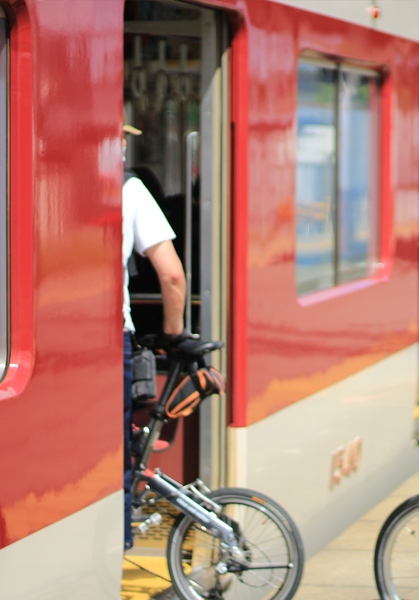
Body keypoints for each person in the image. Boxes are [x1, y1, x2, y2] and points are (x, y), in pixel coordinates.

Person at [122, 120, 187, 550]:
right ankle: (116, 550)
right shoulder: (129, 190)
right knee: (116, 456)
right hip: (111, 343)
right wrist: (173, 335)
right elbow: (172, 275)